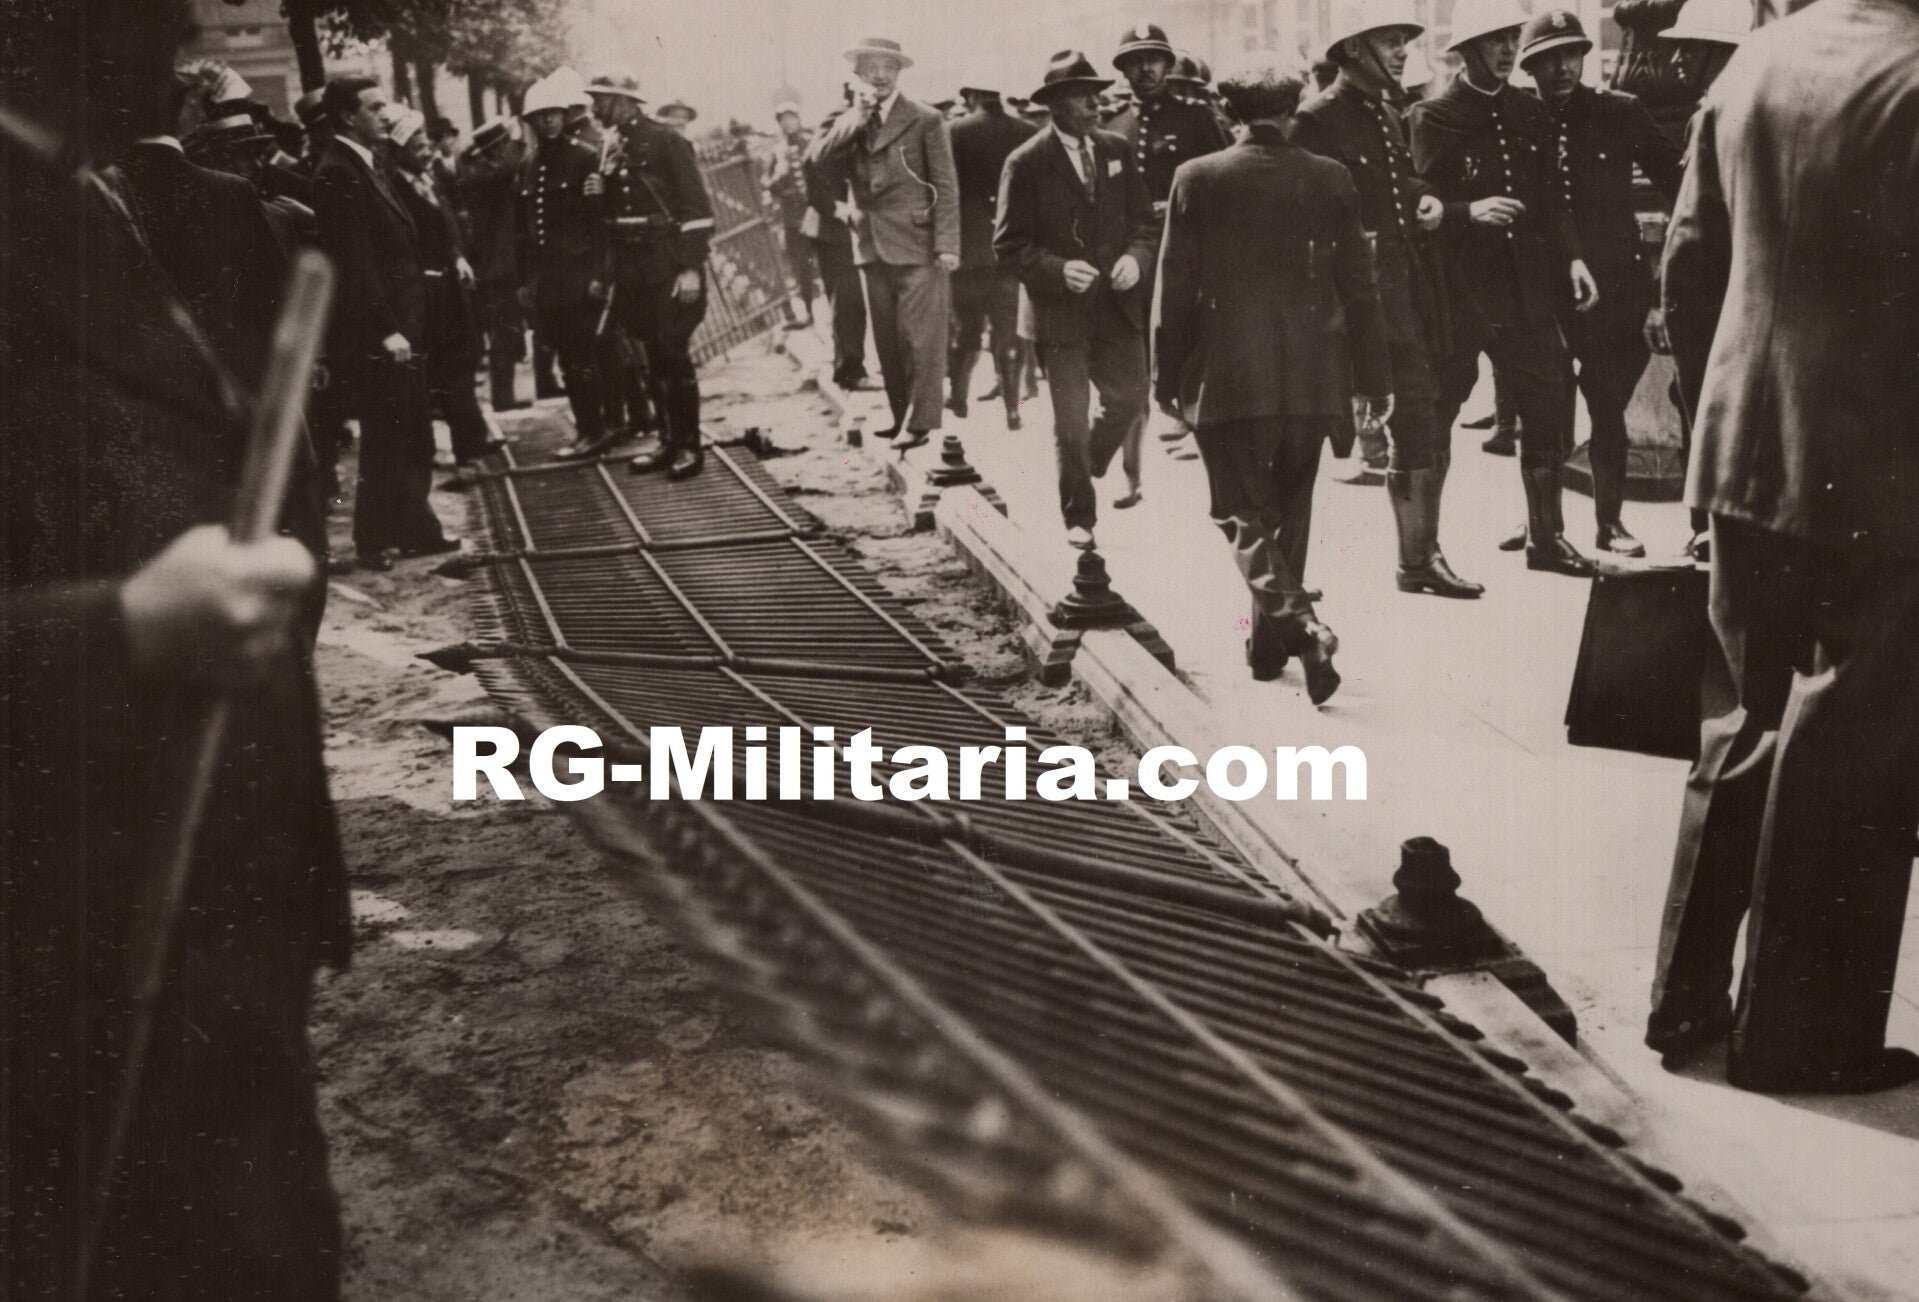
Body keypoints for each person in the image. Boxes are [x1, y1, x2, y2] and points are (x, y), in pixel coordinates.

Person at [2, 2, 349, 1294]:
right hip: (60, 943)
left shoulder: (73, 200)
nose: (184, 39)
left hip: (199, 904)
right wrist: (117, 634)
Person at [1648, 0, 1919, 1096]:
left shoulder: (1755, 60)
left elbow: (1686, 262)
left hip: (1740, 444)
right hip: (1879, 464)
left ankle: (1682, 1000)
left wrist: (1719, 413)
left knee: (1741, 720)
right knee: (1847, 751)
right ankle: (1799, 1039)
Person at [1156, 56, 1391, 706]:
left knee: (1238, 512)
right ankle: (1267, 649)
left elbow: (1174, 286)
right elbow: (1361, 288)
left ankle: (1301, 627)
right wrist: (1373, 377)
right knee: (1286, 515)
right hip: (1312, 376)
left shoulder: (1196, 178)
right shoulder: (1329, 177)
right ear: (1292, 112)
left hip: (1226, 377)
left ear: (1229, 113)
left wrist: (1164, 378)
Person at [1292, 0, 1482, 600]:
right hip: (1356, 304)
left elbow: (1399, 184)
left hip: (1406, 292)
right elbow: (1305, 220)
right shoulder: (1317, 120)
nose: (1404, 51)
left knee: (1421, 413)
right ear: (1353, 49)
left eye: (1404, 39)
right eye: (1391, 39)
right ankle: (1279, 592)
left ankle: (1418, 558)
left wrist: (1424, 197)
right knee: (1309, 444)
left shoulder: (1385, 113)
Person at [1409, 0, 1599, 578]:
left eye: (1511, 36)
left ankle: (1547, 539)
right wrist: (1469, 209)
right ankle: (1423, 553)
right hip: (1460, 289)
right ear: (1465, 50)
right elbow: (1420, 204)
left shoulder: (1531, 111)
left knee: (1546, 404)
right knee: (1439, 411)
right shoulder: (1433, 116)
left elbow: (1551, 199)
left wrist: (1572, 259)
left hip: (1525, 291)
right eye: (1493, 39)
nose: (1505, 48)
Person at [1519, 9, 1682, 558]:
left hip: (1616, 284)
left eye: (1571, 54)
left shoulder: (1620, 111)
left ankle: (1609, 522)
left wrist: (1664, 269)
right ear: (1531, 66)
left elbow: (1679, 180)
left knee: (1607, 402)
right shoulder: (1519, 118)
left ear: (1585, 56)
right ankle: (1544, 524)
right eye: (1547, 59)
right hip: (1541, 283)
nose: (1561, 67)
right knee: (1544, 402)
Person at [994, 50, 1157, 550]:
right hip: (1059, 317)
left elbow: (1144, 223)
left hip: (1116, 306)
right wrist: (1059, 270)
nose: (1095, 101)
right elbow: (1009, 245)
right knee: (1069, 422)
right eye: (1082, 95)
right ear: (1056, 105)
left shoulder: (1115, 149)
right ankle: (1078, 519)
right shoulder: (1025, 163)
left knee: (1130, 398)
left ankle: (1089, 466)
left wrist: (1136, 257)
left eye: (1096, 92)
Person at [314, 75, 458, 571]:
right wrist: (385, 329)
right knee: (388, 433)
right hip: (382, 330)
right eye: (373, 107)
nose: (383, 113)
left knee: (410, 429)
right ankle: (374, 539)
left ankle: (413, 530)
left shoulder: (363, 164)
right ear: (347, 116)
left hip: (403, 321)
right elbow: (354, 262)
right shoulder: (338, 171)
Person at [813, 36, 961, 449]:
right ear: (857, 74)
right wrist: (853, 120)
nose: (879, 75)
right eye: (871, 67)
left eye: (887, 67)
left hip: (918, 242)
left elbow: (945, 185)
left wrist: (948, 243)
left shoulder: (925, 119)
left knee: (921, 337)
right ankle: (901, 418)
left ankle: (921, 421)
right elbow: (819, 163)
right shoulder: (850, 121)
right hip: (870, 244)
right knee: (887, 340)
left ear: (899, 73)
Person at [1105, 23, 1230, 477]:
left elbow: (1225, 175)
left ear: (1167, 63)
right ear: (1123, 70)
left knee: (1194, 328)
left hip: (1191, 245)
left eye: (1153, 59)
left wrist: (1182, 205)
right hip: (1137, 252)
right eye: (1134, 61)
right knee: (1139, 333)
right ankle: (1148, 423)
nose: (1145, 69)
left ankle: (1192, 417)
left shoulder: (1197, 118)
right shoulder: (1113, 124)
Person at [587, 72, 717, 481]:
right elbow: (614, 211)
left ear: (623, 101)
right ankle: (667, 441)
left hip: (667, 262)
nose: (594, 108)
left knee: (674, 354)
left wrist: (691, 268)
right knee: (652, 358)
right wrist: (598, 191)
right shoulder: (611, 143)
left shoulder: (667, 141)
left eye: (600, 100)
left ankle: (689, 447)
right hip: (633, 266)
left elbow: (697, 210)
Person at [386, 107, 499, 481]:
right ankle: (468, 455)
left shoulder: (430, 180)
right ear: (397, 150)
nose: (426, 150)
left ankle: (474, 449)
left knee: (460, 372)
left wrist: (458, 256)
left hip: (452, 293)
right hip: (425, 299)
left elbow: (447, 228)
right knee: (446, 379)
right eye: (416, 145)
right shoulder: (393, 189)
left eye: (425, 143)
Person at [517, 70, 609, 460]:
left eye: (554, 113)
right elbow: (524, 227)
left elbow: (599, 224)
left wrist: (598, 275)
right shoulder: (530, 163)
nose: (549, 120)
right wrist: (525, 280)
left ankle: (595, 430)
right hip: (548, 281)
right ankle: (587, 429)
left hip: (578, 277)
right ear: (531, 122)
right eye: (541, 115)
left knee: (582, 356)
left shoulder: (585, 158)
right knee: (568, 359)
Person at [946, 75, 1037, 427]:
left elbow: (947, 191)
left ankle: (959, 397)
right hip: (1011, 249)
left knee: (966, 329)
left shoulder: (955, 131)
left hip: (969, 250)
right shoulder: (1026, 131)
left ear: (971, 95)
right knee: (1007, 330)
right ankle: (1012, 408)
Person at [457, 117, 532, 412]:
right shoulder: (485, 175)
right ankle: (503, 396)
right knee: (504, 329)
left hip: (499, 264)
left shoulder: (482, 171)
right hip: (498, 266)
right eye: (502, 146)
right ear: (495, 149)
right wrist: (518, 139)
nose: (507, 150)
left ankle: (505, 393)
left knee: (508, 328)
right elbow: (513, 164)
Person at [804, 87, 872, 391]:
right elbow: (812, 162)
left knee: (852, 299)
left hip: (846, 224)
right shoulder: (840, 119)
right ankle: (850, 371)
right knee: (847, 300)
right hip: (834, 228)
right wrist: (837, 208)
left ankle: (852, 367)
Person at [766, 101, 819, 328]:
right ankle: (809, 314)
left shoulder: (811, 142)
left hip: (816, 213)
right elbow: (769, 185)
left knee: (826, 263)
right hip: (793, 219)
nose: (788, 122)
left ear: (798, 119)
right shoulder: (777, 152)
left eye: (791, 117)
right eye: (783, 119)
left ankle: (837, 313)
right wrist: (780, 174)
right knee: (801, 267)